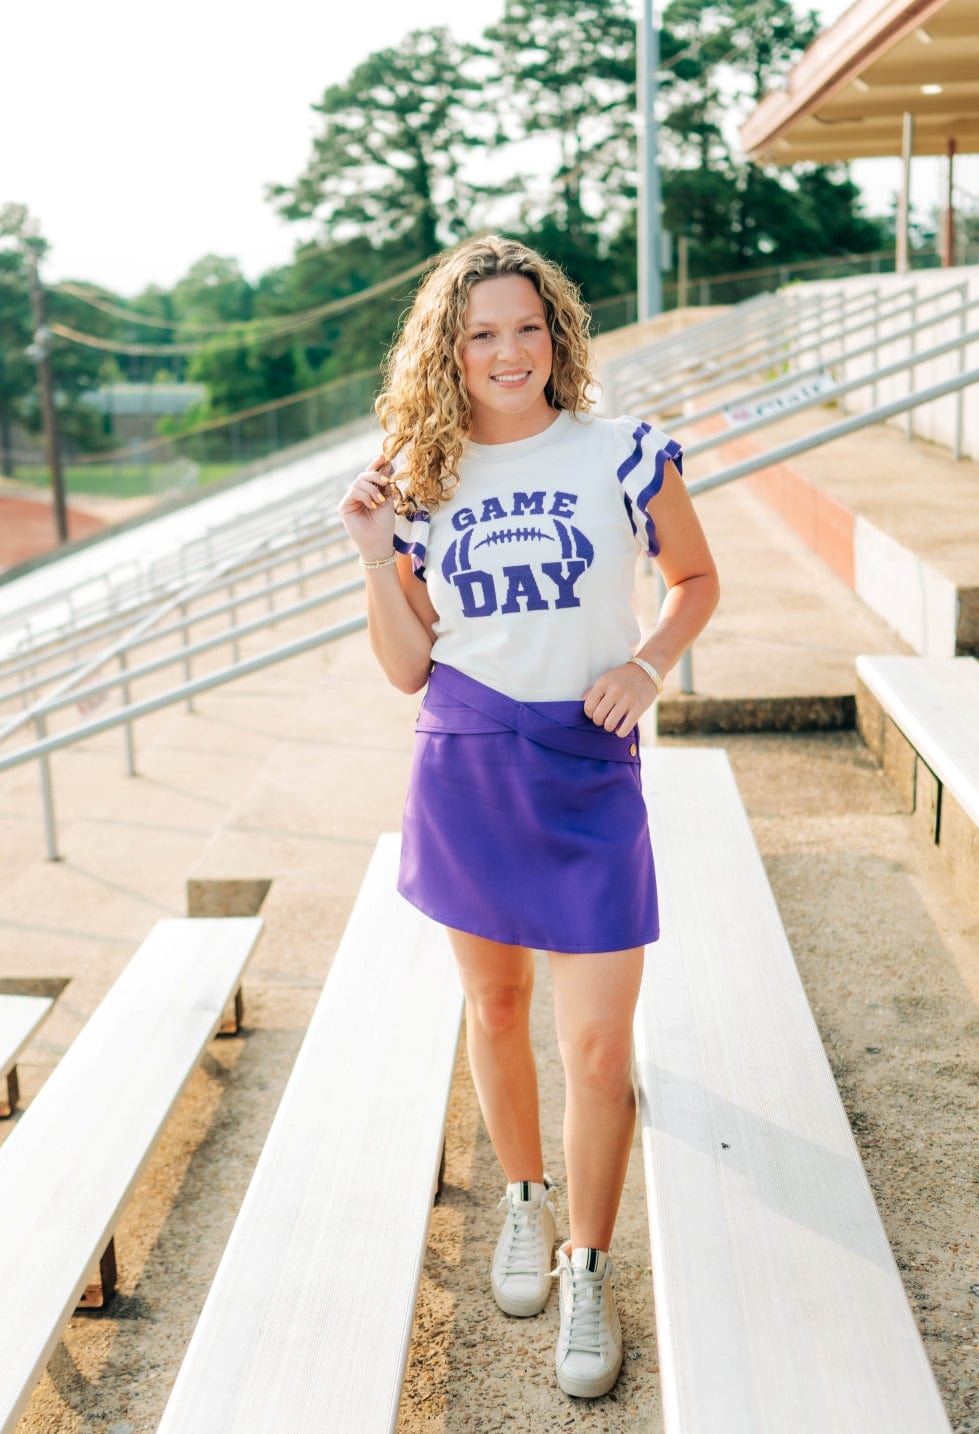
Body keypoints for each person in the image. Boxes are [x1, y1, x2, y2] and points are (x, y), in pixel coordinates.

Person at [339, 234, 719, 1400]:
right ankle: (523, 1195)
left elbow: (694, 581)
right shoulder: (416, 479)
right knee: (495, 1004)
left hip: (588, 764)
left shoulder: (622, 454)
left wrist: (650, 666)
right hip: (466, 759)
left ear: (556, 333)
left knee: (598, 1046)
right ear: (448, 354)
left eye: (525, 327)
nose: (508, 352)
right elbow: (407, 668)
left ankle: (590, 1263)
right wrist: (371, 555)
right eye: (481, 334)